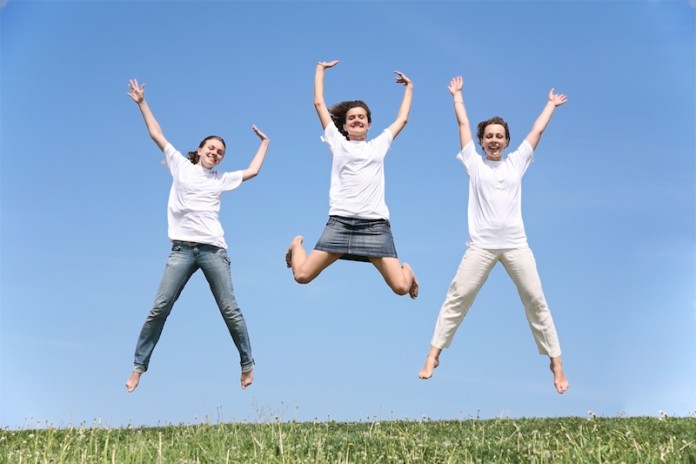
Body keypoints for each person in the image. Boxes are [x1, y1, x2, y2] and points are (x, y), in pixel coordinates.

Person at [418, 76, 569, 394]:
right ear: (482, 141)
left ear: (507, 141)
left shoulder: (517, 163)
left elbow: (537, 131)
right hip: (481, 246)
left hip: (516, 245)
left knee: (536, 300)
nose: (494, 140)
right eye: (489, 136)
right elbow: (462, 125)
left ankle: (556, 363)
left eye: (499, 136)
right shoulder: (474, 164)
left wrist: (550, 105)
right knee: (458, 296)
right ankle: (433, 356)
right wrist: (457, 97)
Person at [124, 79, 270, 392]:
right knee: (159, 308)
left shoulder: (221, 179)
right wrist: (141, 103)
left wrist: (265, 144)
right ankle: (138, 367)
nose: (215, 154)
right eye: (211, 148)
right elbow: (157, 134)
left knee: (229, 308)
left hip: (213, 250)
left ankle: (247, 363)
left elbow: (253, 171)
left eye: (220, 152)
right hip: (181, 250)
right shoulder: (180, 165)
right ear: (200, 149)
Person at [285, 60, 419, 299]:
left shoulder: (379, 145)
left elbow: (402, 119)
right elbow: (318, 103)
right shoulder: (337, 143)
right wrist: (319, 71)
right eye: (352, 118)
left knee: (400, 287)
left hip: (375, 225)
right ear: (345, 126)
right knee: (301, 276)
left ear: (368, 125)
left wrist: (409, 88)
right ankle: (296, 246)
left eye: (362, 118)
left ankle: (407, 270)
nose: (357, 120)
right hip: (341, 222)